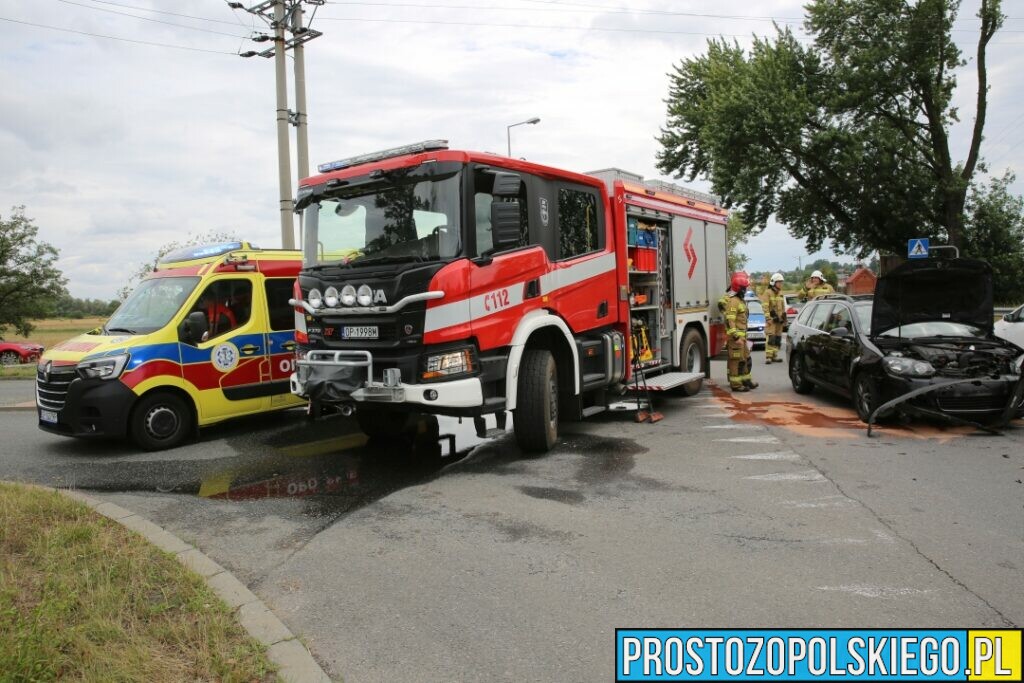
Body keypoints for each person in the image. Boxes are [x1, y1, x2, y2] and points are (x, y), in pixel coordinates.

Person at [723, 271, 758, 392]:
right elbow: (730, 321)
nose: (746, 290)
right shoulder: (733, 301)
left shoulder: (740, 301)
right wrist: (736, 337)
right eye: (745, 288)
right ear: (740, 289)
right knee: (735, 361)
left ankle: (746, 380)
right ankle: (736, 385)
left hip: (742, 338)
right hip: (736, 339)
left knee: (745, 359)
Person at [764, 272, 787, 364]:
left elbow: (783, 307)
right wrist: (768, 318)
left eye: (781, 282)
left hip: (779, 320)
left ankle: (775, 355)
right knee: (771, 338)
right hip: (772, 320)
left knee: (778, 338)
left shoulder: (780, 293)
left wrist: (784, 318)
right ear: (773, 282)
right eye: (779, 282)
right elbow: (765, 306)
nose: (781, 284)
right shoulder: (767, 292)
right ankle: (769, 357)